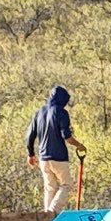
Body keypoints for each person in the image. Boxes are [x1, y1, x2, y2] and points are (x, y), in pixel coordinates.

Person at [25, 85, 86, 213]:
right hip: (59, 157)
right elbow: (67, 137)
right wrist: (79, 145)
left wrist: (30, 154)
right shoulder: (61, 113)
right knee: (66, 185)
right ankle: (52, 212)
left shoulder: (39, 113)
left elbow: (30, 136)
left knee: (50, 187)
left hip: (43, 159)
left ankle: (46, 217)